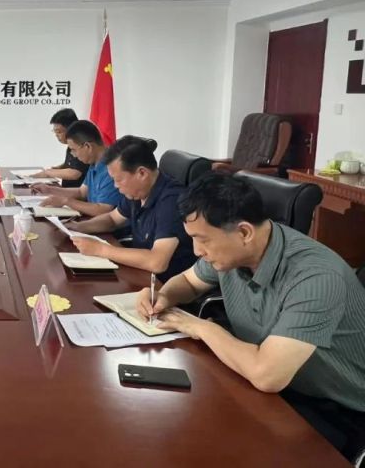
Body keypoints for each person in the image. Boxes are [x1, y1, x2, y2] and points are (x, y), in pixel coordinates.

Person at [137, 173, 365, 462]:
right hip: (272, 386)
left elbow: (267, 375)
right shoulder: (232, 252)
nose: (196, 251)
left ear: (244, 232)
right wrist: (163, 296)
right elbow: (189, 283)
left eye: (202, 240)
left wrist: (201, 328)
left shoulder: (316, 276)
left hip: (335, 410)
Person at [70, 135, 196, 281]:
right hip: (139, 273)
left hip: (162, 286)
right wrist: (79, 227)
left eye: (118, 180)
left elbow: (157, 262)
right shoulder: (138, 192)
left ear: (142, 173)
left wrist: (100, 249)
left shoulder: (172, 200)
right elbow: (112, 219)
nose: (116, 186)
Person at [32, 120, 120, 217]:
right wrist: (49, 190)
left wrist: (65, 201)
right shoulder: (94, 163)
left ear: (87, 146)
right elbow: (82, 192)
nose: (74, 155)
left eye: (74, 150)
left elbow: (103, 210)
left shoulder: (112, 167)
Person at [30, 108, 88, 187]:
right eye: (55, 132)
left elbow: (75, 173)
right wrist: (58, 168)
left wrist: (49, 173)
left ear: (71, 129)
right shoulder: (71, 145)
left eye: (59, 132)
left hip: (77, 192)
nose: (56, 135)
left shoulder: (81, 146)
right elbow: (71, 163)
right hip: (66, 190)